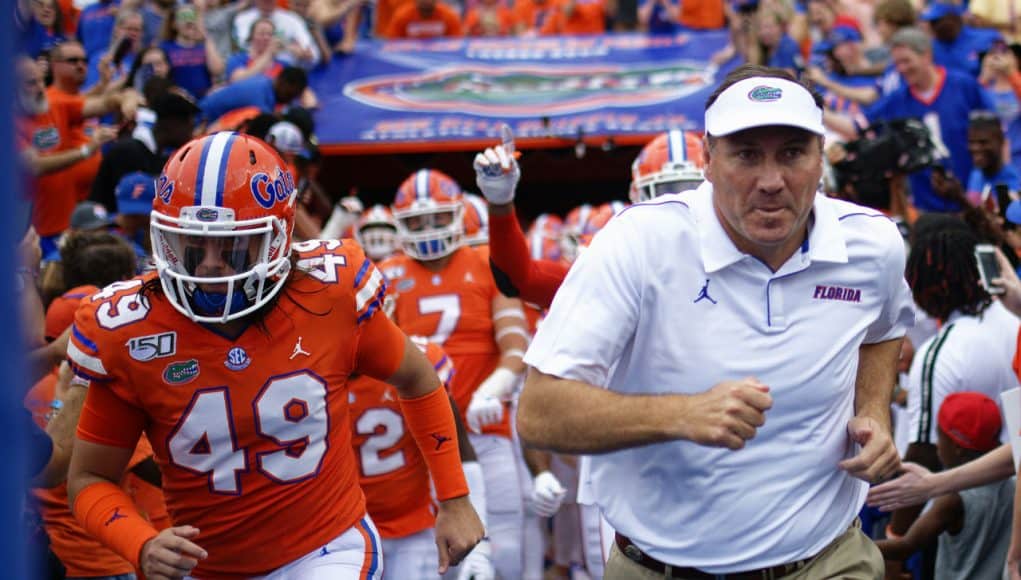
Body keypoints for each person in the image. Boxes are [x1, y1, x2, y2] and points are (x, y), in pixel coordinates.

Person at [515, 64, 914, 578]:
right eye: (746, 155)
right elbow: (540, 413)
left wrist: (874, 410)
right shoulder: (638, 242)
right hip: (661, 565)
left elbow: (882, 329)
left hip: (827, 558)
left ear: (822, 159)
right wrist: (680, 415)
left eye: (792, 153)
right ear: (708, 158)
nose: (771, 181)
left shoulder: (872, 243)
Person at [66, 133, 484, 579]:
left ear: (280, 236)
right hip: (209, 568)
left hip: (327, 548)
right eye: (190, 242)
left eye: (232, 245)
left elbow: (418, 380)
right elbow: (89, 477)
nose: (208, 263)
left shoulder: (328, 294)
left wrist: (455, 496)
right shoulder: (130, 330)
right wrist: (140, 540)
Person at [380, 168, 530, 579]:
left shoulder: (486, 262)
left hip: (486, 425)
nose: (428, 230)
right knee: (446, 556)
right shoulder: (386, 274)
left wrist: (497, 384)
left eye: (436, 219)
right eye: (416, 222)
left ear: (458, 215)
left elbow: (516, 341)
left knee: (507, 546)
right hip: (425, 442)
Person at [876, 392, 1014, 580]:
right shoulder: (1013, 482)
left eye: (940, 437)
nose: (938, 446)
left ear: (957, 448)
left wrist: (851, 545)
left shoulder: (953, 498)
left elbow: (906, 546)